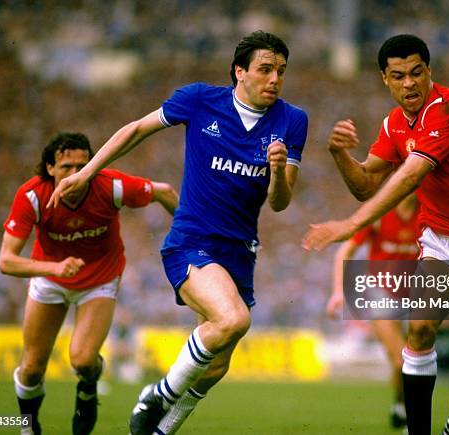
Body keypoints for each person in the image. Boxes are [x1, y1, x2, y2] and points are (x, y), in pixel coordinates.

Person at [48, 31, 308, 435]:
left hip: (240, 251)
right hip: (192, 241)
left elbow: (279, 202)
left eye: (281, 71)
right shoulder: (201, 99)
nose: (275, 79)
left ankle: (159, 430)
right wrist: (86, 172)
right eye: (265, 69)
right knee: (233, 319)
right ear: (239, 72)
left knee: (218, 362)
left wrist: (276, 171)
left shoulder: (293, 120)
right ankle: (158, 395)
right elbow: (135, 129)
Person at [303, 34, 449, 434]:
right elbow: (365, 183)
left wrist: (351, 224)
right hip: (443, 243)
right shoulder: (393, 125)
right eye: (398, 76)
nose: (409, 83)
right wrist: (340, 155)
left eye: (416, 73)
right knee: (420, 327)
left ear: (429, 72)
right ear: (384, 80)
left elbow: (410, 175)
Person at [0, 132, 178, 435]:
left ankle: (88, 387)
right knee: (30, 369)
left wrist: (194, 233)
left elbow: (165, 191)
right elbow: (6, 261)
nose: (74, 173)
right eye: (66, 167)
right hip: (50, 277)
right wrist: (55, 267)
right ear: (50, 169)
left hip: (100, 279)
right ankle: (27, 427)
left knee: (82, 360)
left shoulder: (111, 186)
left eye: (82, 166)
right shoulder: (32, 196)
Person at [327, 194, 419, 430]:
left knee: (417, 358)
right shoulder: (379, 213)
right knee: (401, 361)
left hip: (416, 292)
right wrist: (338, 291)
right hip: (381, 293)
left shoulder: (428, 210)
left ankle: (400, 404)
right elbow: (344, 251)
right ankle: (410, 415)